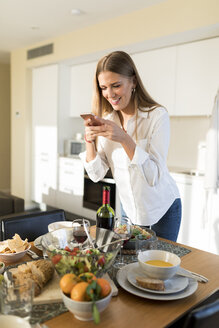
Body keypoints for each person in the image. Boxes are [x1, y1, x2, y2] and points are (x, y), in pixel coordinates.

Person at [79, 50, 181, 242]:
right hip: (129, 211)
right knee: (130, 267)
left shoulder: (157, 116)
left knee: (158, 269)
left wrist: (124, 139)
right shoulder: (108, 120)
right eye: (103, 87)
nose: (109, 94)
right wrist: (89, 141)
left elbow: (154, 176)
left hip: (162, 211)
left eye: (116, 85)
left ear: (133, 81)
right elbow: (96, 174)